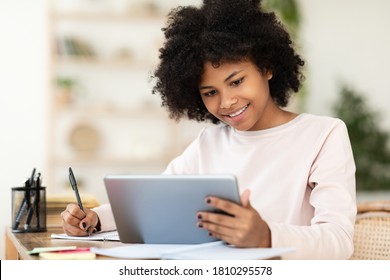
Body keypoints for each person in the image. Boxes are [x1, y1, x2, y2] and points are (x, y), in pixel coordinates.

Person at [61, 0, 356, 259]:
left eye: (237, 81)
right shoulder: (209, 142)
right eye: (210, 92)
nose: (227, 102)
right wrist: (93, 219)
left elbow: (339, 241)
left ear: (267, 67)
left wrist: (265, 236)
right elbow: (152, 203)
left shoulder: (324, 135)